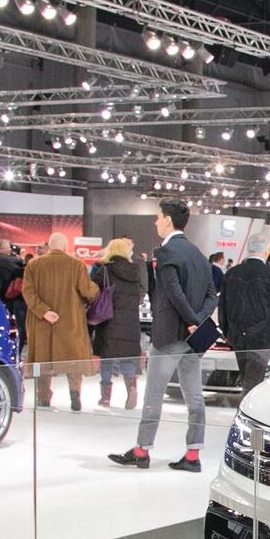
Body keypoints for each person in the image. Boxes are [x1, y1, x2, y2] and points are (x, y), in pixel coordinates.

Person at [109, 198, 215, 473]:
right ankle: (193, 453)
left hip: (169, 336)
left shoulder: (166, 252)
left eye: (158, 217)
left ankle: (142, 450)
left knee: (154, 396)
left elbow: (173, 292)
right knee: (195, 397)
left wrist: (190, 320)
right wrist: (197, 321)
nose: (155, 221)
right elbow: (211, 296)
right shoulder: (198, 254)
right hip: (192, 340)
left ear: (168, 219)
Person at [21, 231, 99, 410]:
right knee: (74, 359)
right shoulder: (76, 265)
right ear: (65, 246)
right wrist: (96, 288)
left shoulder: (33, 264)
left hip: (42, 322)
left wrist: (44, 311)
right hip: (70, 320)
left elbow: (28, 292)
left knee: (43, 359)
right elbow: (87, 290)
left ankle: (43, 397)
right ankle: (75, 394)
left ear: (49, 246)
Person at [217, 249, 270, 398]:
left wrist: (225, 331)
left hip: (237, 333)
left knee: (246, 375)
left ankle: (245, 405)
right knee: (254, 380)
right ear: (264, 252)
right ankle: (246, 408)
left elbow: (223, 306)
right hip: (262, 334)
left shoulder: (231, 274)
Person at [91, 237, 147, 409]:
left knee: (107, 358)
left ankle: (105, 398)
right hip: (130, 322)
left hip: (109, 320)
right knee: (127, 358)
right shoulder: (135, 271)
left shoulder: (105, 270)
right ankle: (131, 388)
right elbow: (140, 293)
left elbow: (93, 291)